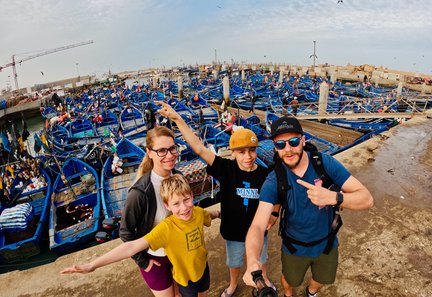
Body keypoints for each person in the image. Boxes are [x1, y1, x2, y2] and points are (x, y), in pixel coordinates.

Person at [243, 116, 374, 297]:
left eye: (294, 142)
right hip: (294, 247)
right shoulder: (274, 179)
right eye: (281, 144)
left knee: (321, 280)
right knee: (289, 282)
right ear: (275, 147)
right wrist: (252, 261)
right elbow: (257, 225)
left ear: (303, 140)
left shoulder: (324, 163)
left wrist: (334, 197)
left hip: (326, 243)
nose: (288, 150)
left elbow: (367, 199)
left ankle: (310, 292)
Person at [156, 101, 274, 297]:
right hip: (233, 231)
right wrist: (177, 119)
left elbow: (276, 194)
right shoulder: (226, 169)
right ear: (233, 153)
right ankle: (233, 283)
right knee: (234, 262)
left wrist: (274, 214)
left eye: (252, 150)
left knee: (261, 260)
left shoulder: (265, 173)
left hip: (259, 231)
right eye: (242, 152)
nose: (248, 156)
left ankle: (265, 280)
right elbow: (200, 149)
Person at [61, 174, 221, 297]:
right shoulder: (166, 228)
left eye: (186, 200)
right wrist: (92, 265)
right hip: (185, 278)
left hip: (203, 268)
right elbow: (130, 247)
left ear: (192, 196)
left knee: (204, 293)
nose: (184, 208)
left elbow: (211, 214)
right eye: (176, 204)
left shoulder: (198, 213)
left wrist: (221, 213)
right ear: (167, 206)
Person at [118, 126, 181, 297]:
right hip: (155, 258)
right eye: (161, 150)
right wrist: (143, 262)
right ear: (149, 152)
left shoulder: (179, 177)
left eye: (172, 148)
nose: (169, 155)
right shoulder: (139, 193)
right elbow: (125, 232)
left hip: (179, 253)